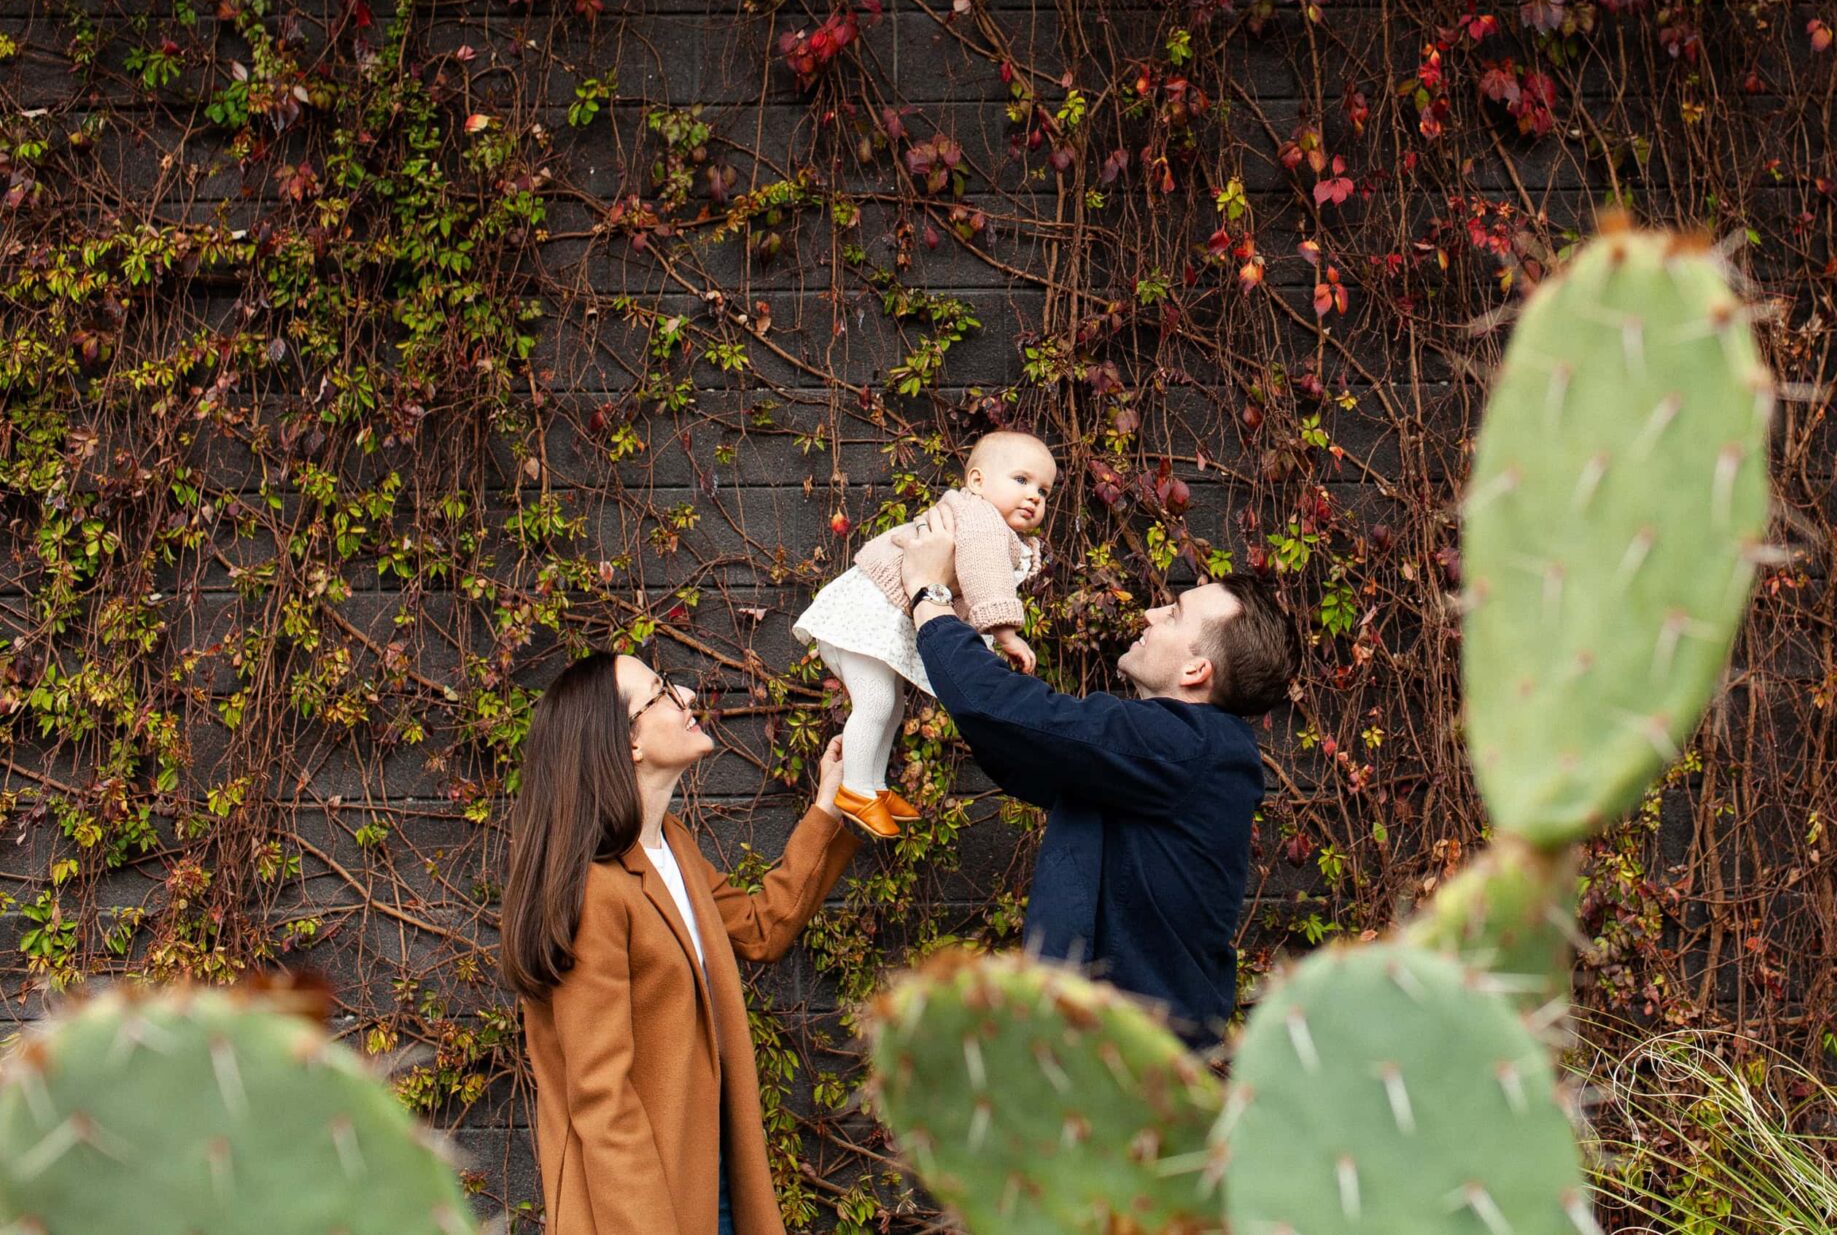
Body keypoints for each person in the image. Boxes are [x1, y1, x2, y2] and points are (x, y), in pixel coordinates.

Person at [895, 509, 1296, 1046]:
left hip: (1132, 1071)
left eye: (1174, 615)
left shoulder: (1185, 745)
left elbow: (1002, 712)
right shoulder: (1176, 753)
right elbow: (1018, 743)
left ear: (1196, 671)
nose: (1151, 613)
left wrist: (928, 595)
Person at [499, 650, 862, 1235]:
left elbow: (760, 926)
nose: (689, 695)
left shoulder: (670, 845)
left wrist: (827, 806)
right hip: (643, 1206)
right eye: (662, 691)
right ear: (630, 744)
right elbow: (603, 1101)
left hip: (707, 1176)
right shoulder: (594, 891)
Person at [791, 431, 1054, 839]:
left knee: (889, 704)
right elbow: (984, 578)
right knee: (877, 701)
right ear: (978, 482)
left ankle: (873, 785)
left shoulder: (984, 522)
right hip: (867, 612)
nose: (1034, 496)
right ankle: (856, 789)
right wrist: (1005, 635)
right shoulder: (980, 517)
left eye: (1043, 490)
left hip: (879, 613)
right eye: (1021, 480)